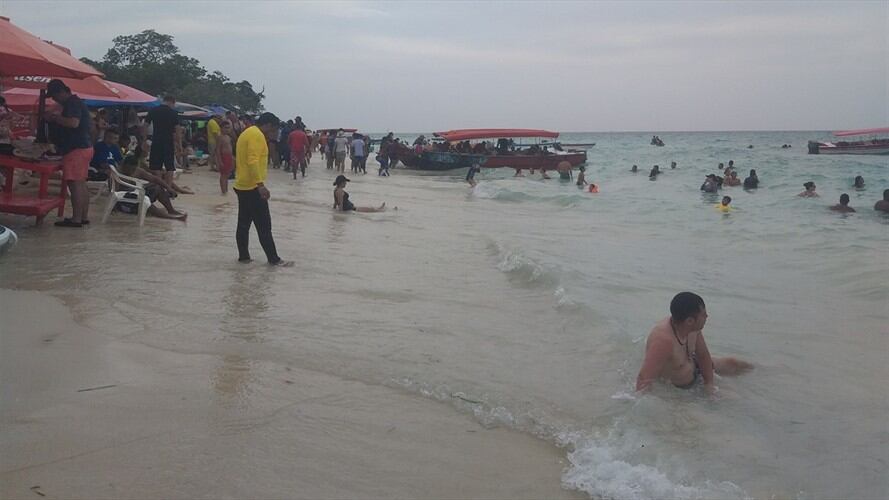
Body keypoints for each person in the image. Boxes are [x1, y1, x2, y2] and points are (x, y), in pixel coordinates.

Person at [636, 292, 752, 394]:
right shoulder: (663, 341)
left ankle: (762, 371)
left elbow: (703, 355)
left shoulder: (693, 329)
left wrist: (709, 384)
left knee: (734, 364)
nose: (707, 316)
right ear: (690, 321)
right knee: (731, 397)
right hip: (680, 390)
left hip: (696, 369)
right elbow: (644, 378)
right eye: (703, 314)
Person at [233, 112, 291, 266]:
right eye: (274, 130)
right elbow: (252, 160)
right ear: (269, 125)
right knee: (264, 225)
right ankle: (274, 260)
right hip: (252, 186)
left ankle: (244, 257)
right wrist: (260, 185)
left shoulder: (248, 132)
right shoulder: (256, 135)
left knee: (243, 224)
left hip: (242, 184)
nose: (274, 133)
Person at [45, 79, 93, 228]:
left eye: (54, 96)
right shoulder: (75, 102)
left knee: (74, 184)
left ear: (61, 92)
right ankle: (83, 217)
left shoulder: (72, 103)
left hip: (76, 149)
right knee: (81, 183)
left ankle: (76, 219)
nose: (54, 99)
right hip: (85, 147)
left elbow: (73, 123)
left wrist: (54, 118)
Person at [115, 154, 187, 221]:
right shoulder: (117, 172)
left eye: (134, 169)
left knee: (157, 188)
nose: (132, 171)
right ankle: (169, 217)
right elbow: (114, 192)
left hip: (136, 193)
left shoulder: (138, 171)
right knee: (144, 200)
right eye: (130, 169)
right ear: (125, 165)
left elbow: (155, 179)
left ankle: (171, 210)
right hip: (124, 201)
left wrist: (168, 188)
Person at [145, 95, 179, 184]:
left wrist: (144, 140)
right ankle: (169, 187)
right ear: (172, 102)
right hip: (168, 142)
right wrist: (179, 144)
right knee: (169, 167)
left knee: (156, 166)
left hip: (156, 141)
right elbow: (177, 130)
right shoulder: (173, 113)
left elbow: (145, 126)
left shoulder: (153, 110)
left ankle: (158, 186)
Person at [214, 121, 235, 194]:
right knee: (223, 175)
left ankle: (226, 190)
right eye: (225, 128)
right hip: (223, 157)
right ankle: (223, 191)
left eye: (228, 128)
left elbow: (230, 148)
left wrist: (232, 158)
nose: (227, 129)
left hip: (229, 156)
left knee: (227, 175)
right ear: (221, 128)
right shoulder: (220, 137)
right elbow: (217, 150)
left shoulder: (228, 137)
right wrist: (219, 161)